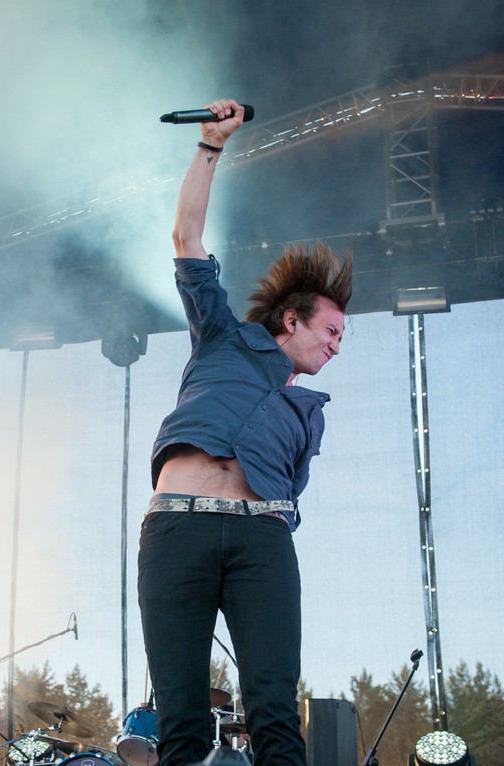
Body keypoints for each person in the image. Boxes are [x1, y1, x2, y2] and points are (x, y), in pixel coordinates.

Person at [138, 98, 353, 766]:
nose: (337, 346)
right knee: (180, 722)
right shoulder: (223, 337)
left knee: (276, 715)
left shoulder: (307, 414)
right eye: (331, 330)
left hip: (262, 540)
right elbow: (187, 238)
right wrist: (211, 145)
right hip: (178, 529)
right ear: (291, 319)